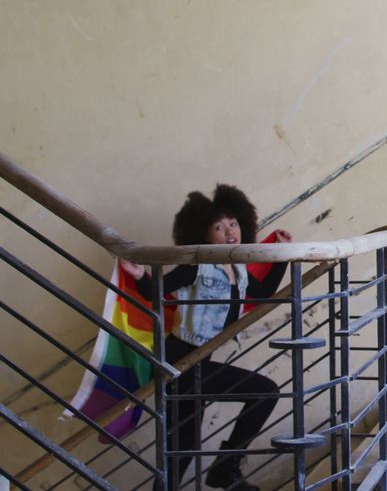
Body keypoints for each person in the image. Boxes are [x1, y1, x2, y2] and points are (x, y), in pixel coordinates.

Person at [120, 184, 291, 491]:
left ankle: (222, 470)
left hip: (199, 363)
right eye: (219, 227)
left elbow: (263, 293)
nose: (229, 232)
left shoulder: (238, 271)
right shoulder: (196, 268)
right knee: (264, 392)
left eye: (233, 223)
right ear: (203, 234)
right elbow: (155, 292)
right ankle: (225, 470)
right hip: (179, 363)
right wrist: (137, 274)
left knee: (181, 450)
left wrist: (281, 255)